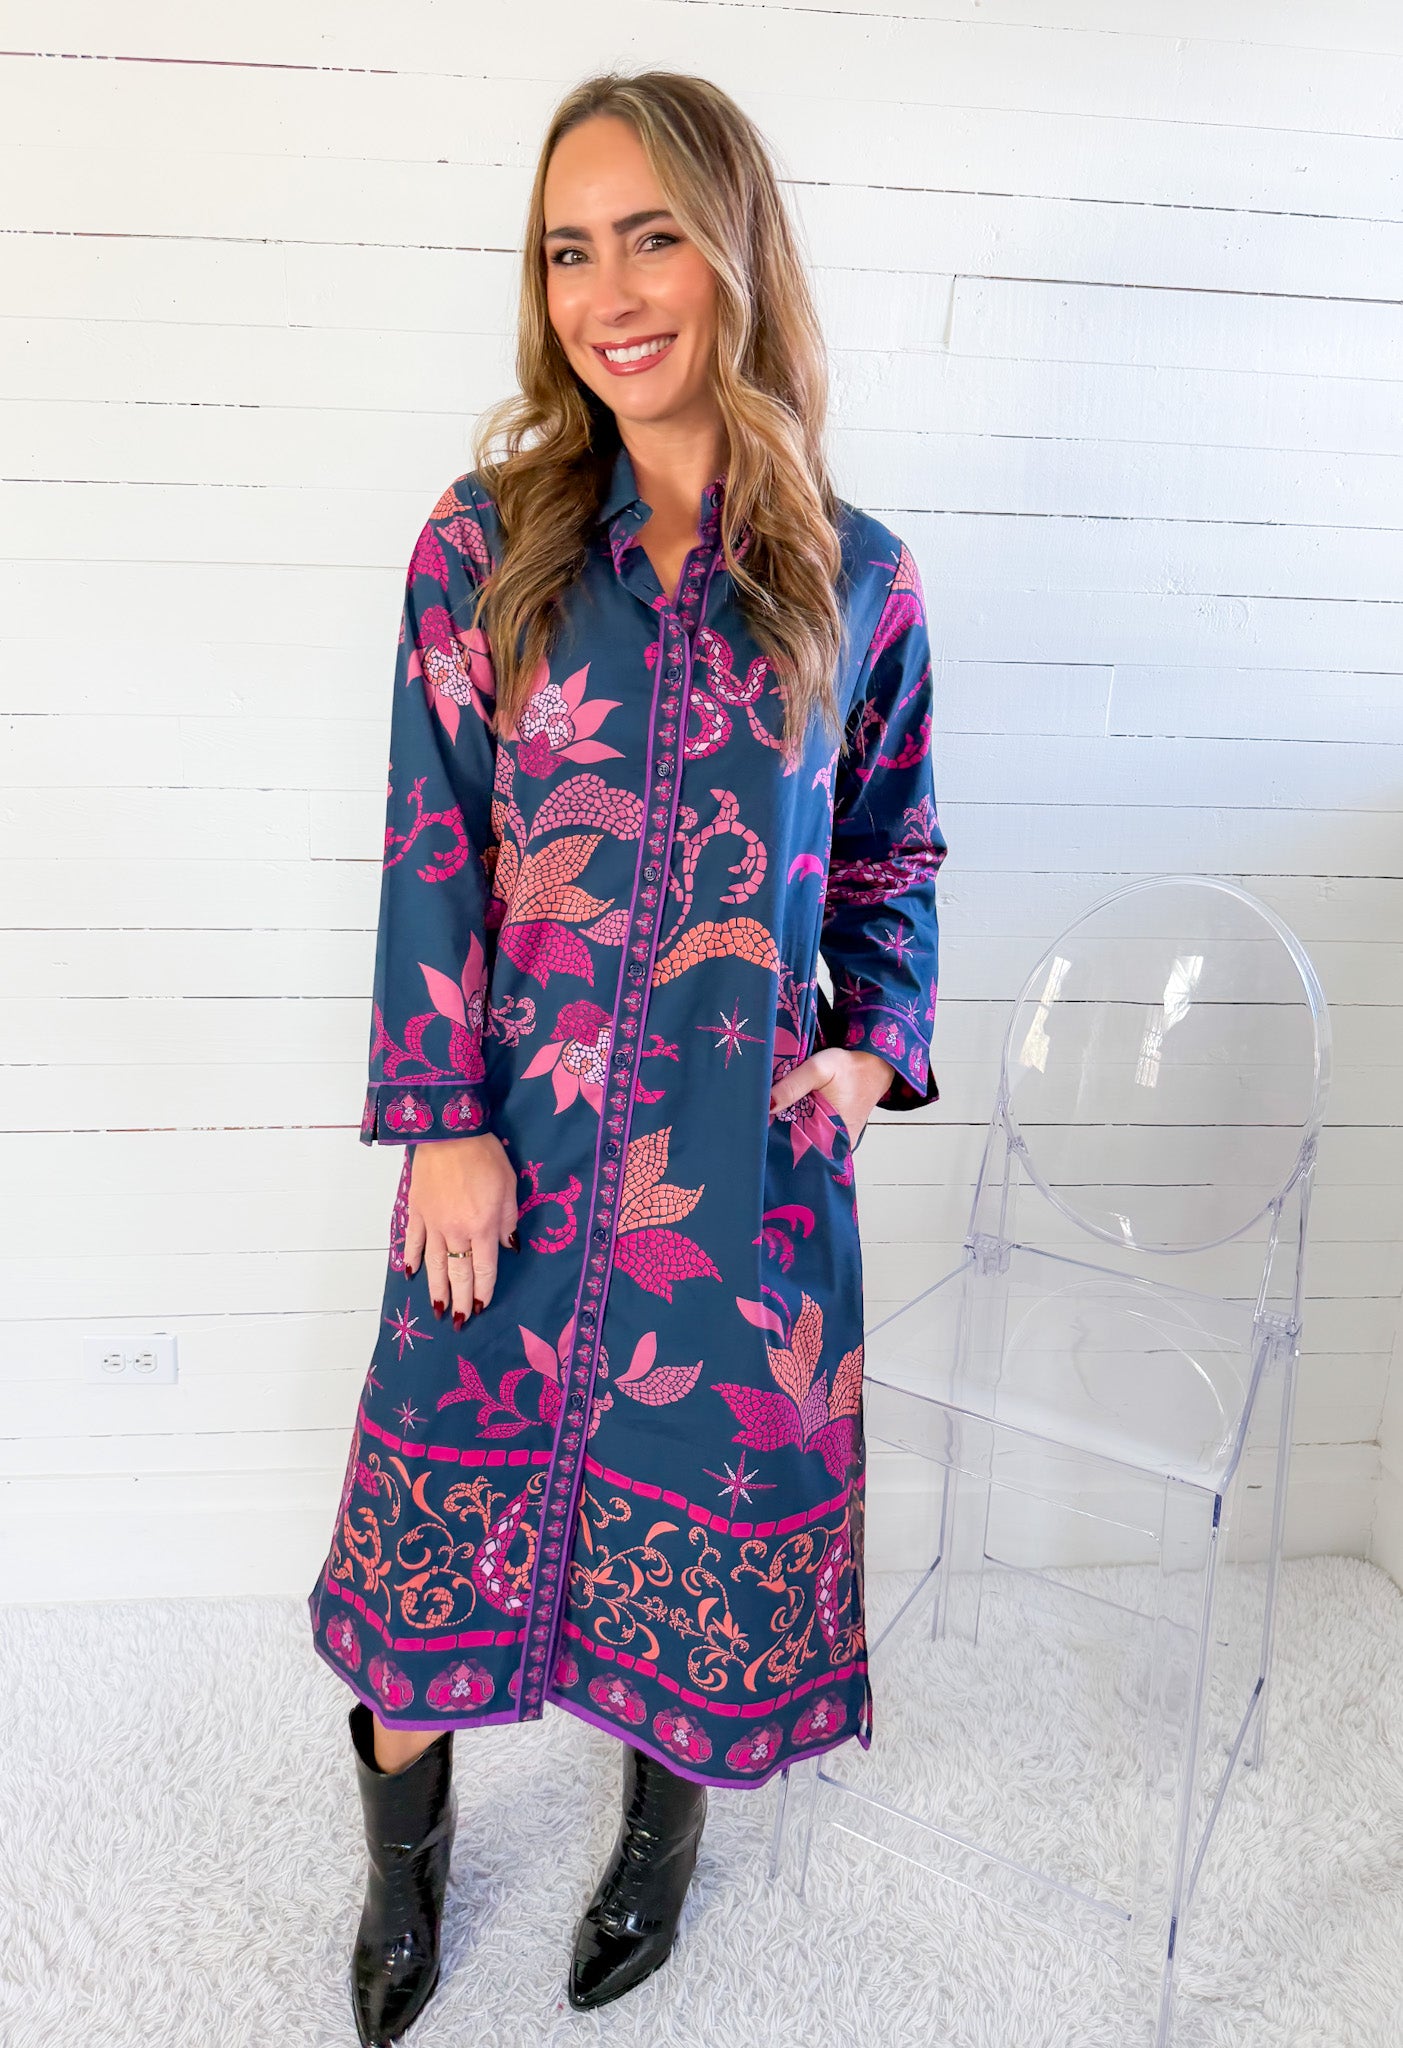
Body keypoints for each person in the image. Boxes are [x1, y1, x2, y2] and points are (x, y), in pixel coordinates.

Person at [306, 67, 947, 2047]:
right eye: (570, 249)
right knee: (434, 1549)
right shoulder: (482, 543)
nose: (609, 288)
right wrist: (440, 1129)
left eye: (651, 232)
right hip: (512, 1151)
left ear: (734, 245)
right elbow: (432, 840)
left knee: (692, 1535)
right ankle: (405, 1880)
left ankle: (657, 1841)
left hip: (739, 1188)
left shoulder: (860, 575)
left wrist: (868, 1057)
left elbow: (896, 853)